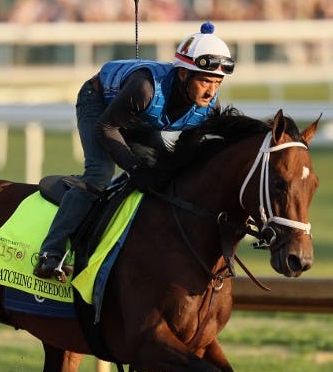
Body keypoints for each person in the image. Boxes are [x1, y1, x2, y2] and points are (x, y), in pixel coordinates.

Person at [33, 21, 235, 281]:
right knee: (99, 174)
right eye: (205, 81)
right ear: (183, 75)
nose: (211, 91)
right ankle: (50, 253)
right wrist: (135, 167)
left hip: (139, 119)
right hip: (100, 105)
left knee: (164, 173)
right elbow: (105, 127)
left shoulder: (208, 106)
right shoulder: (145, 89)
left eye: (217, 83)